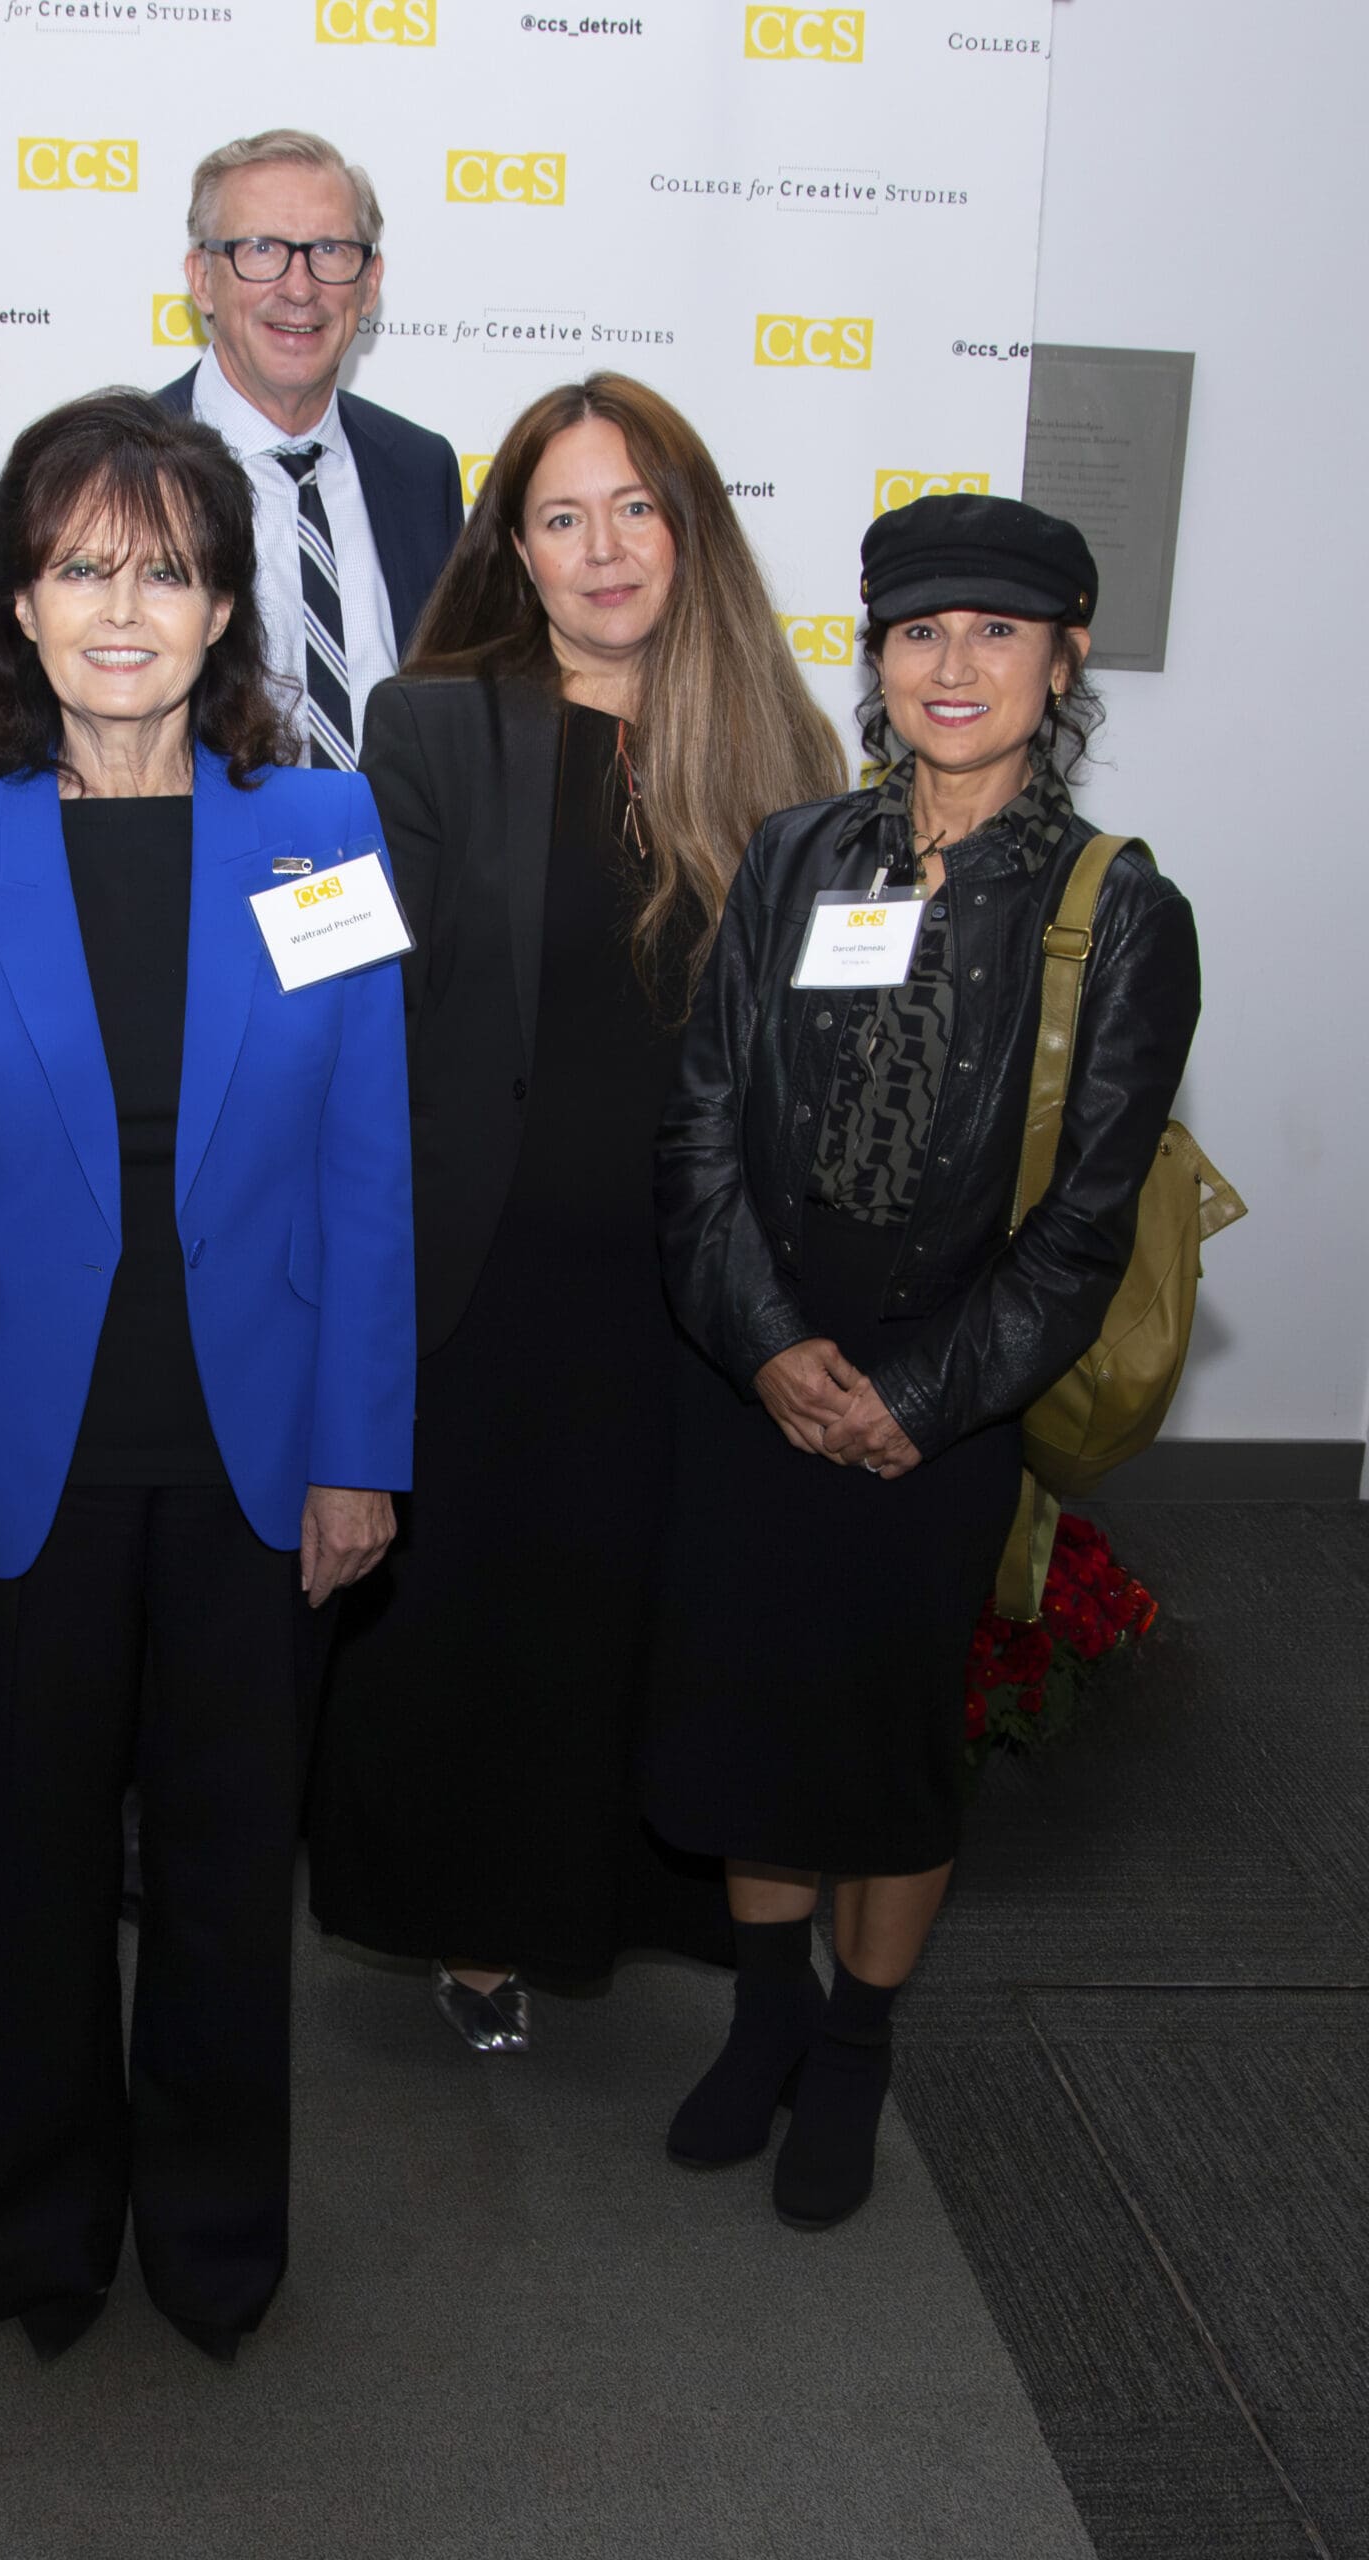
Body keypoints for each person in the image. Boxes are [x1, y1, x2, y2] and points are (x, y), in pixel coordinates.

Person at [0, 390, 415, 2364]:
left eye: (165, 570)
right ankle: (37, 2232)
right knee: (26, 1885)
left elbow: (369, 1167)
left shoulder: (320, 827)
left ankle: (210, 2228)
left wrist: (363, 1448)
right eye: (83, 565)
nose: (122, 607)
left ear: (219, 613)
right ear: (20, 599)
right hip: (25, 1464)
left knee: (213, 1876)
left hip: (258, 1459)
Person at [643, 494, 1200, 2229]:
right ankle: (764, 2017)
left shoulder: (1119, 915)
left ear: (1066, 653)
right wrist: (771, 1348)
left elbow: (1085, 1229)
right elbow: (703, 1132)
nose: (954, 668)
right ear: (875, 659)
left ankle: (861, 2041)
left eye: (997, 632)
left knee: (887, 1742)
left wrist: (918, 1396)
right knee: (749, 1713)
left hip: (945, 1405)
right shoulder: (798, 857)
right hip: (761, 1368)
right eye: (919, 633)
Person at [308, 375, 841, 2050]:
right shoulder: (434, 722)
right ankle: (473, 1925)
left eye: (634, 509)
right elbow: (335, 984)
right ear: (513, 549)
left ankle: (619, 1906)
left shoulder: (786, 749)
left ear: (691, 529)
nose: (602, 549)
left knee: (643, 1609)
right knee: (484, 1613)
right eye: (561, 516)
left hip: (692, 1286)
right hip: (490, 1265)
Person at [156, 127, 462, 769]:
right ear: (201, 280)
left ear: (369, 282)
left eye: (330, 250)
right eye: (261, 249)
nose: (300, 287)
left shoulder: (419, 469)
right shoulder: (118, 466)